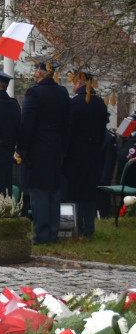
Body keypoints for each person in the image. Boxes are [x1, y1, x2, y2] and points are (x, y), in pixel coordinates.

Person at [17, 60, 71, 244]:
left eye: (36, 70)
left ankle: (41, 234)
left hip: (37, 148)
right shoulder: (62, 92)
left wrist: (21, 148)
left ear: (40, 72)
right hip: (55, 147)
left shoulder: (34, 93)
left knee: (39, 193)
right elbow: (67, 123)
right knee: (53, 192)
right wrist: (63, 148)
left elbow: (27, 122)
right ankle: (53, 232)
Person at [64, 70, 108, 238]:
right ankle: (89, 227)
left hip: (76, 154)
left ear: (80, 83)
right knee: (90, 193)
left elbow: (69, 129)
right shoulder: (100, 103)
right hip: (94, 153)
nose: (72, 85)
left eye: (74, 82)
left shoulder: (75, 103)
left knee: (75, 192)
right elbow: (103, 131)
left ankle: (77, 227)